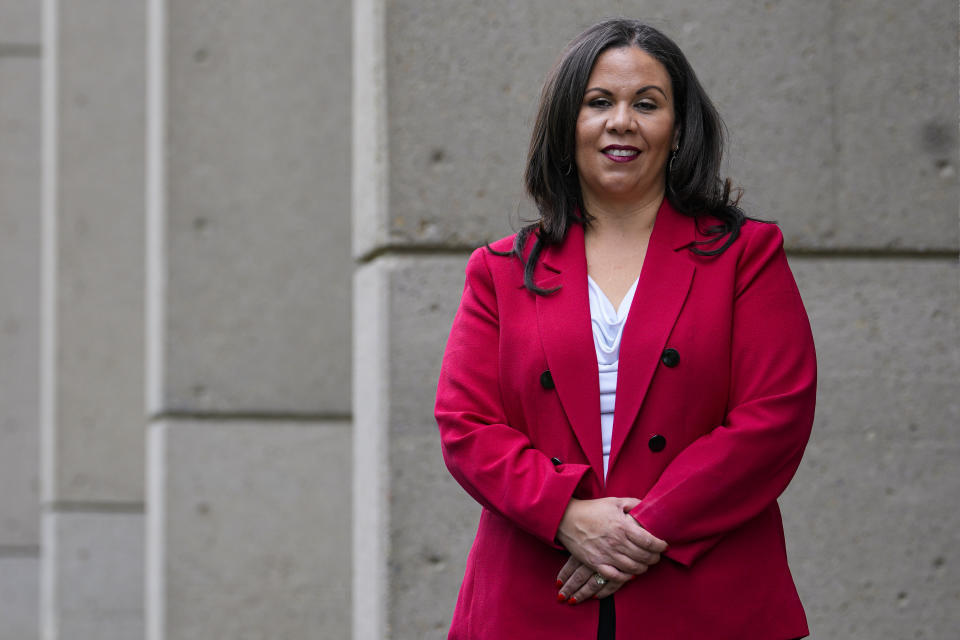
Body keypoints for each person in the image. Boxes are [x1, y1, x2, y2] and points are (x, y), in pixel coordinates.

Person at [434, 18, 816, 640]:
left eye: (647, 103)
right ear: (568, 125)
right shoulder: (499, 271)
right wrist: (566, 515)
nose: (622, 121)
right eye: (598, 102)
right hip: (536, 595)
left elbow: (774, 416)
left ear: (678, 126)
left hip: (707, 595)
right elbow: (466, 423)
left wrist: (637, 533)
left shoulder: (746, 255)